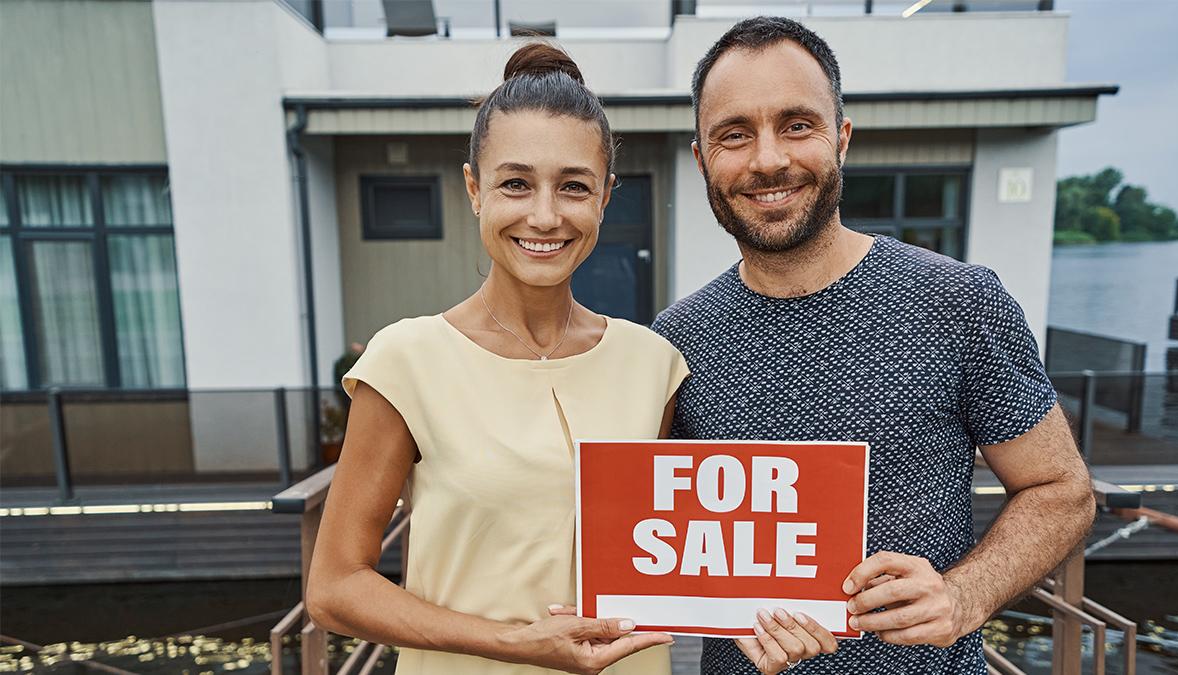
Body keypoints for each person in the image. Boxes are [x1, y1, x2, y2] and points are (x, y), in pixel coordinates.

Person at [651, 16, 1096, 675]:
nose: (769, 158)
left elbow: (1062, 488)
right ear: (701, 159)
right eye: (735, 135)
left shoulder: (961, 302)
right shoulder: (677, 340)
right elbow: (663, 540)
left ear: (843, 138)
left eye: (797, 124)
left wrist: (964, 592)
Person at [304, 45, 691, 675]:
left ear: (605, 197)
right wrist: (513, 643)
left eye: (573, 187)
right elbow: (334, 587)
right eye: (516, 183)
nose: (545, 215)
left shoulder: (654, 363)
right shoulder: (407, 360)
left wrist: (774, 611)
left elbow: (682, 556)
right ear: (474, 188)